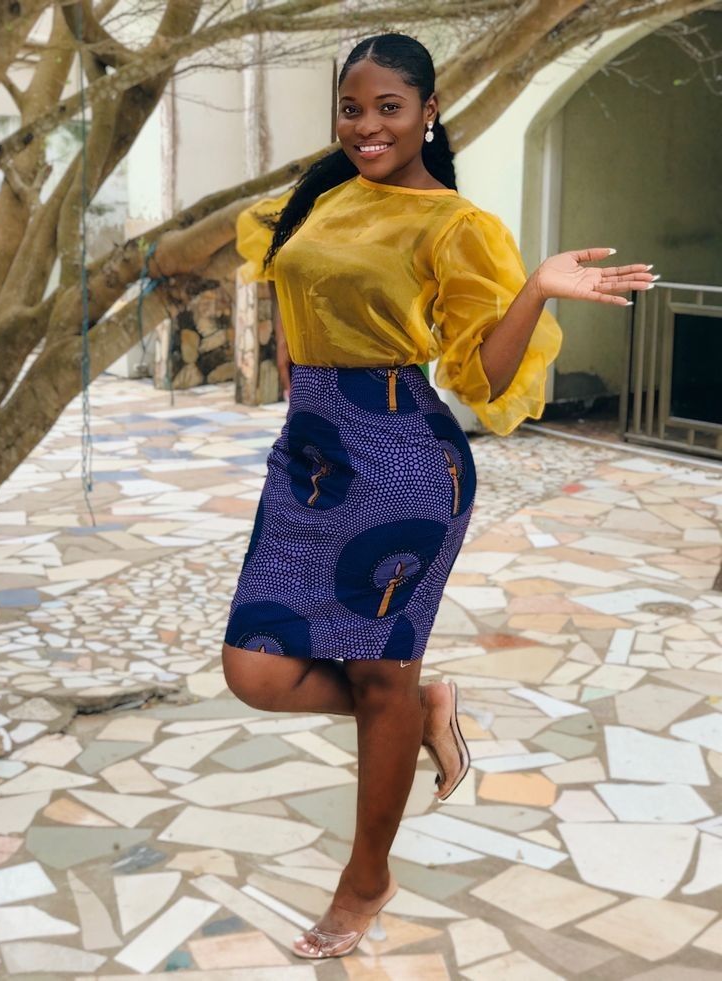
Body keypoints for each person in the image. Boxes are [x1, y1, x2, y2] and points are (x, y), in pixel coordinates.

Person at [221, 33, 654, 961]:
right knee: (254, 670)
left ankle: (365, 879)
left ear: (429, 112)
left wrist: (535, 290)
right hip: (308, 462)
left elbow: (483, 378)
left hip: (403, 464)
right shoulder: (325, 195)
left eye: (389, 108)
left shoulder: (455, 226)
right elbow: (291, 294)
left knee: (378, 674)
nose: (367, 126)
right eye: (352, 108)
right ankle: (423, 710)